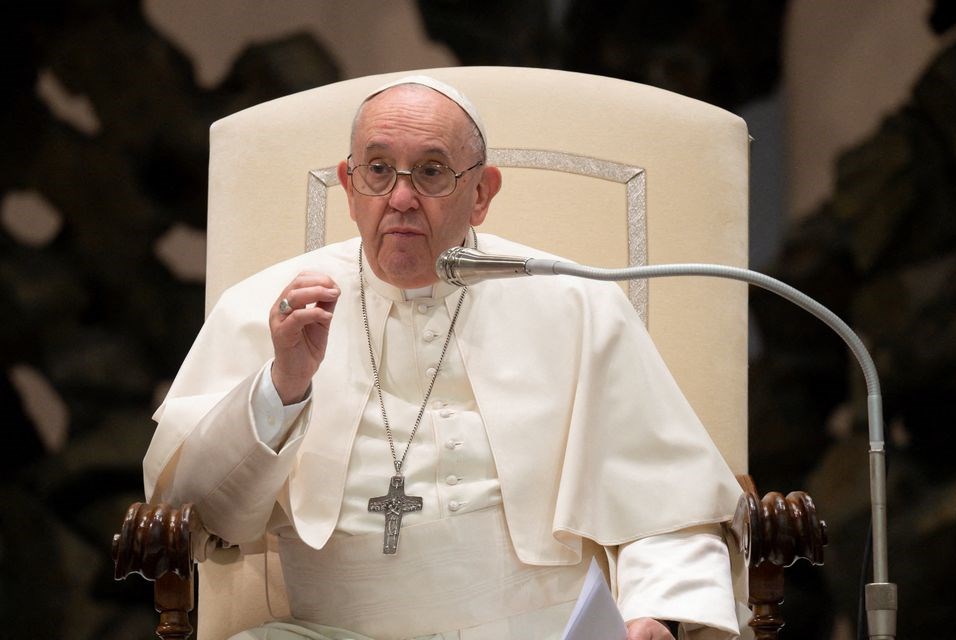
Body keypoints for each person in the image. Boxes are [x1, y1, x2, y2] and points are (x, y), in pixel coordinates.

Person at [144, 76, 745, 640]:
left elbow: (665, 502)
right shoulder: (270, 307)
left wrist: (653, 613)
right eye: (379, 170)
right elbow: (206, 515)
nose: (401, 198)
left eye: (431, 172)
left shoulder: (575, 302)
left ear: (481, 194)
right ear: (349, 187)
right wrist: (282, 387)